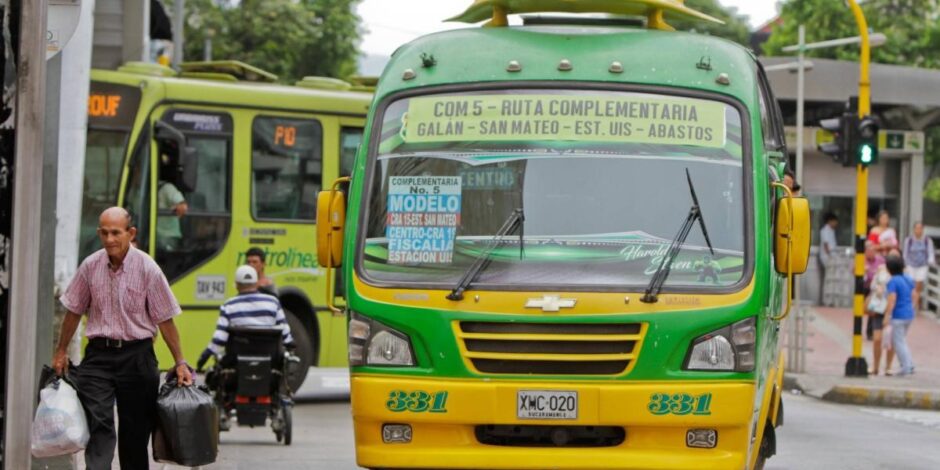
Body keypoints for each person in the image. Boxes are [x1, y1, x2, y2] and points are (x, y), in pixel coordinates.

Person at [54, 207, 193, 470]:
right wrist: (61, 350)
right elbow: (73, 311)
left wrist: (180, 362)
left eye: (115, 233)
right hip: (98, 357)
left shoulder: (148, 269)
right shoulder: (90, 266)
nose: (109, 240)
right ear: (98, 233)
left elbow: (166, 321)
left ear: (130, 233)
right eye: (104, 233)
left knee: (135, 433)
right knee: (100, 424)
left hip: (138, 357)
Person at [197, 265, 294, 370]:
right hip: (270, 360)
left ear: (237, 285)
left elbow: (220, 338)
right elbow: (285, 331)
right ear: (257, 283)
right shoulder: (273, 302)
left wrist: (206, 355)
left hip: (235, 362)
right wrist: (290, 345)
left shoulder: (229, 305)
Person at [883, 254, 916, 376]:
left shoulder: (893, 281)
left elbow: (892, 299)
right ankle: (909, 363)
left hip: (898, 315)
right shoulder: (908, 278)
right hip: (909, 313)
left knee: (898, 342)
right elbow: (914, 294)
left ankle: (906, 366)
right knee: (902, 340)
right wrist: (911, 306)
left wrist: (887, 315)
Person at [865, 243, 890, 374]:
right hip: (879, 307)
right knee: (877, 339)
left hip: (892, 311)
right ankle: (875, 366)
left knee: (890, 341)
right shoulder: (881, 269)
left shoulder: (901, 274)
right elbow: (873, 285)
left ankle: (888, 367)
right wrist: (877, 289)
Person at [903, 221, 935, 311]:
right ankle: (912, 303)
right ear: (914, 229)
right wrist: (905, 264)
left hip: (922, 265)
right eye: (917, 228)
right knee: (910, 284)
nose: (918, 230)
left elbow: (930, 252)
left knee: (918, 285)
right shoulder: (909, 240)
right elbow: (905, 253)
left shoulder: (927, 240)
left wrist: (930, 261)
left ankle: (914, 305)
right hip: (911, 264)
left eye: (920, 228)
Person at [156, 178, 187, 251]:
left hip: (167, 237)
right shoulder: (135, 189)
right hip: (148, 236)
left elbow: (182, 205)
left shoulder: (166, 188)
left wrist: (180, 205)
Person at [818, 213, 839, 305]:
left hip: (832, 257)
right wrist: (830, 255)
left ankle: (830, 300)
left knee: (831, 279)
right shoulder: (825, 230)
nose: (836, 223)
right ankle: (826, 301)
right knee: (827, 279)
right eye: (834, 221)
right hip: (827, 257)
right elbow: (826, 245)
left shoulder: (831, 230)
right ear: (830, 221)